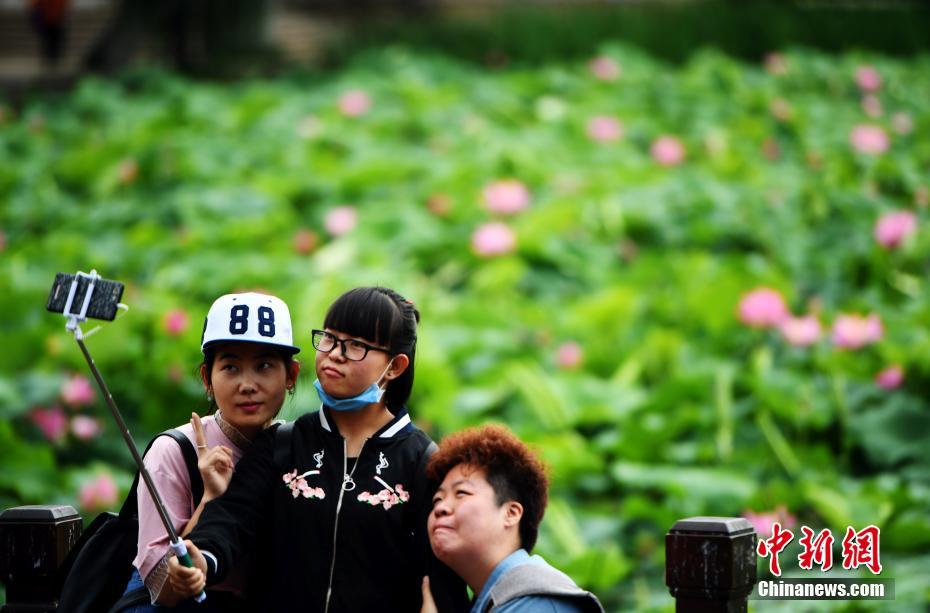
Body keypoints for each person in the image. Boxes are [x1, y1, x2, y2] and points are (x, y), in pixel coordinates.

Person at [168, 287, 469, 612]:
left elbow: (443, 575)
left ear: (394, 366)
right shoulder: (282, 445)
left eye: (356, 345)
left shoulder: (423, 462)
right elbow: (231, 518)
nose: (335, 354)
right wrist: (203, 558)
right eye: (330, 338)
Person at [121, 292, 301, 611]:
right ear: (207, 378)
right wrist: (210, 498)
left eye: (264, 366)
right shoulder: (174, 452)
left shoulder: (299, 450)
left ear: (291, 375)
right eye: (230, 367)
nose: (247, 384)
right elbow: (161, 588)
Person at [422, 424, 604, 613]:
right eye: (437, 499)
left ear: (511, 513)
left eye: (461, 493)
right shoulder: (498, 601)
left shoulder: (536, 603)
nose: (440, 508)